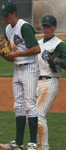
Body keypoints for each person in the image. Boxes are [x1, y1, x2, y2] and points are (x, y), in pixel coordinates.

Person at [0, 2, 40, 150]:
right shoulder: (8, 29)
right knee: (18, 106)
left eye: (6, 15)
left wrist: (17, 54)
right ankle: (18, 143)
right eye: (3, 16)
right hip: (17, 69)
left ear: (13, 13)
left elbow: (36, 49)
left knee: (30, 105)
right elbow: (9, 53)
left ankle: (33, 143)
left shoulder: (24, 27)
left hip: (30, 68)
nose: (4, 19)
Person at [36, 15, 66, 150]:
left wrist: (59, 61)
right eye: (44, 26)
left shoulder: (59, 44)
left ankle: (44, 147)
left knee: (38, 115)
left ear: (54, 27)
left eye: (49, 26)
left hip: (50, 82)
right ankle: (36, 144)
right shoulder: (39, 43)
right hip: (36, 82)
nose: (46, 28)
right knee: (30, 116)